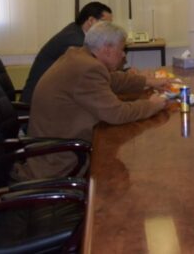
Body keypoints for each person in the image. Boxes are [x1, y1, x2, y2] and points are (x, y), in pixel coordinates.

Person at [12, 22, 169, 181]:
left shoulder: (79, 57)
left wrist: (147, 82)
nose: (123, 55)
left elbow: (112, 80)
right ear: (107, 49)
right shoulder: (87, 68)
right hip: (59, 161)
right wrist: (152, 105)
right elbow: (116, 113)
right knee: (125, 174)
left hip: (50, 149)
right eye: (121, 49)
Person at [21, 2, 113, 103]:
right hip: (38, 102)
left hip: (50, 96)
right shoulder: (74, 40)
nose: (108, 30)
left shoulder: (76, 30)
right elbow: (91, 72)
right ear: (91, 20)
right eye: (106, 24)